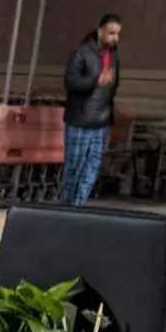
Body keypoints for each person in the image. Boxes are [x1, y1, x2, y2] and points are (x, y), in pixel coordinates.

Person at [59, 12, 122, 206]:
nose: (115, 38)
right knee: (74, 165)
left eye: (117, 34)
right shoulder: (82, 52)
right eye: (111, 33)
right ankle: (66, 205)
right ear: (100, 31)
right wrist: (95, 81)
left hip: (101, 119)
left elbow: (113, 85)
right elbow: (71, 81)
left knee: (93, 167)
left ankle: (79, 204)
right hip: (81, 118)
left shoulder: (113, 55)